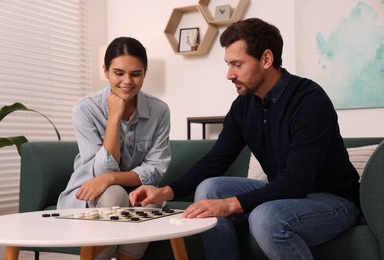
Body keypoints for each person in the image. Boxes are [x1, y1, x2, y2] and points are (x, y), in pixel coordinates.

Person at [129, 18, 361, 260]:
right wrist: (165, 191)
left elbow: (297, 182)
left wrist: (229, 205)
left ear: (266, 59)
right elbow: (214, 161)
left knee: (266, 217)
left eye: (237, 64)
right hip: (286, 191)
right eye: (228, 64)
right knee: (210, 189)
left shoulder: (309, 100)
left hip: (333, 200)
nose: (229, 74)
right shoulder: (243, 106)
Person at [57, 36, 171, 260]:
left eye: (135, 74)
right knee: (114, 194)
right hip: (88, 193)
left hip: (129, 190)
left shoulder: (160, 111)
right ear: (106, 71)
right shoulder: (85, 109)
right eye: (119, 73)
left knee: (151, 200)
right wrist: (114, 117)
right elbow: (101, 173)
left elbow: (155, 169)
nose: (127, 81)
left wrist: (111, 178)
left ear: (144, 73)